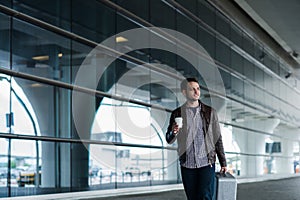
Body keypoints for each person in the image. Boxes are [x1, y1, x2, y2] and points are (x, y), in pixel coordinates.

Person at [166, 77, 227, 200]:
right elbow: (169, 139)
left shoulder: (210, 112)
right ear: (184, 92)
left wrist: (223, 162)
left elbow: (217, 138)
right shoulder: (177, 113)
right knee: (192, 197)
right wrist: (173, 132)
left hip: (206, 163)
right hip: (187, 165)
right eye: (192, 89)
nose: (196, 92)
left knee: (206, 197)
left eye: (198, 89)